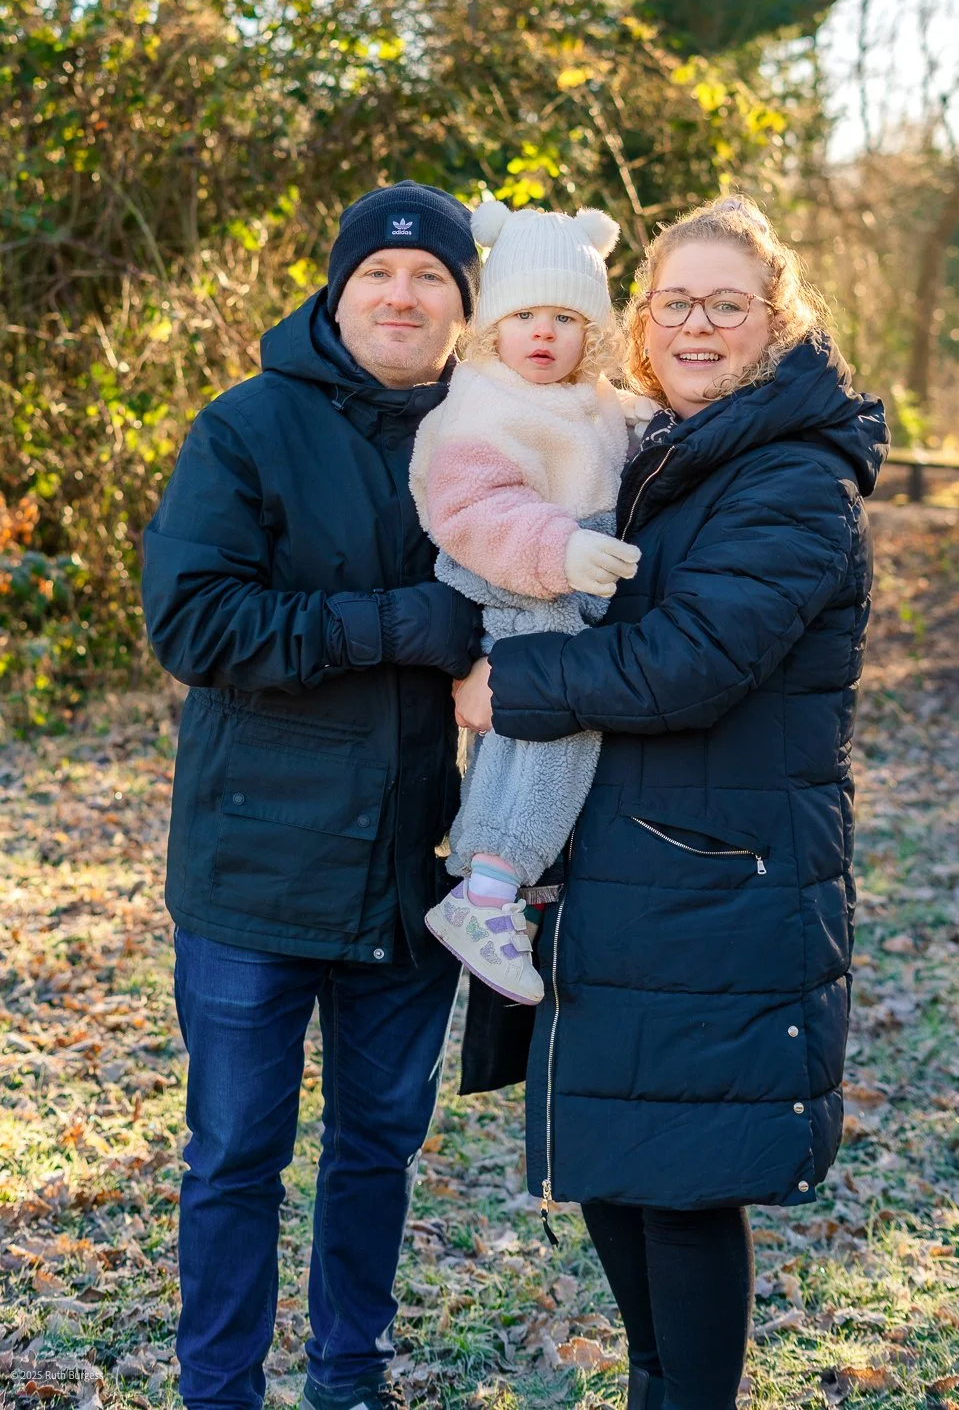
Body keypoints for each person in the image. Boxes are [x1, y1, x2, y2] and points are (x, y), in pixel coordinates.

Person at [453, 195, 889, 1410]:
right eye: (673, 301)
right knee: (617, 1165)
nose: (696, 324)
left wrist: (511, 685)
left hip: (713, 877)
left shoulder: (790, 484)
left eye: (726, 304)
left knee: (679, 1185)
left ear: (774, 321)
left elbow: (690, 659)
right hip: (622, 874)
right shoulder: (650, 451)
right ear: (639, 320)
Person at [141, 180, 483, 1410]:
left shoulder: (497, 434)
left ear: (462, 305)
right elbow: (194, 621)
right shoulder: (245, 427)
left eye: (430, 278)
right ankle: (218, 1389)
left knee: (377, 1149)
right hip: (254, 868)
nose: (402, 295)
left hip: (414, 867)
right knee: (235, 1153)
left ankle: (349, 1377)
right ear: (339, 293)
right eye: (378, 275)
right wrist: (404, 624)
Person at [409, 200, 648, 1005]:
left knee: (539, 740)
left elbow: (626, 438)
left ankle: (500, 883)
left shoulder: (594, 399)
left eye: (565, 318)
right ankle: (487, 891)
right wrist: (561, 548)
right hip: (521, 586)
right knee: (552, 734)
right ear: (491, 327)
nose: (543, 334)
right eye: (524, 316)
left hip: (567, 591)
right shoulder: (484, 404)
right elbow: (472, 511)